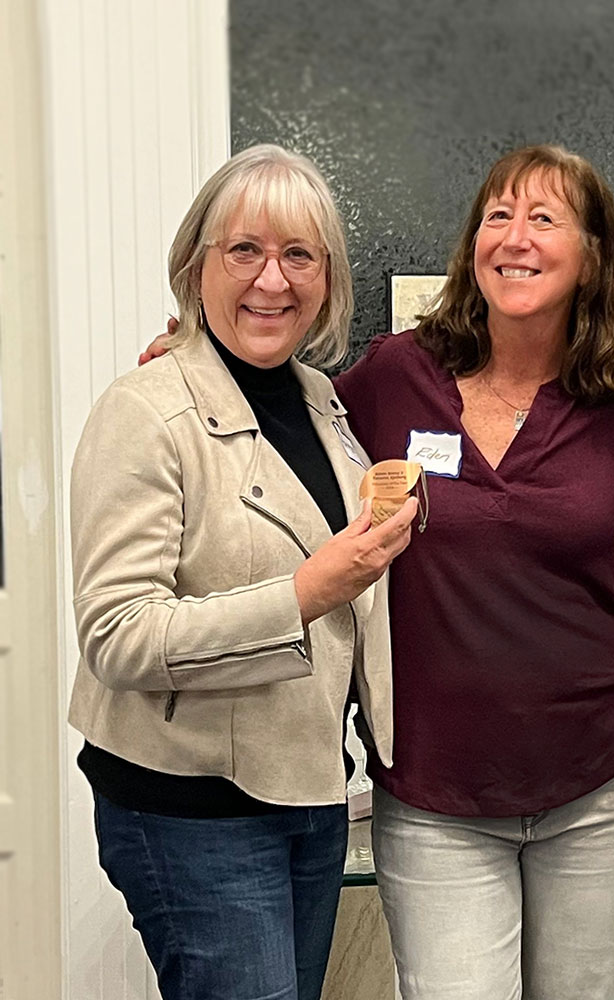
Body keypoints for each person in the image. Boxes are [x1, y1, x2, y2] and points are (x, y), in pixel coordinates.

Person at [69, 144, 417, 1000]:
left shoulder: (322, 402)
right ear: (197, 266)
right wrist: (307, 594)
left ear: (328, 279)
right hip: (191, 810)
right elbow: (118, 636)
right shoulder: (144, 411)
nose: (273, 280)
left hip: (307, 795)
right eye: (245, 251)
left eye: (299, 254)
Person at [334, 145, 614, 1000]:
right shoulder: (394, 376)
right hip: (436, 793)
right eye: (498, 216)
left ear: (593, 252)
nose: (515, 238)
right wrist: (197, 354)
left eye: (545, 218)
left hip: (606, 783)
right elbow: (284, 418)